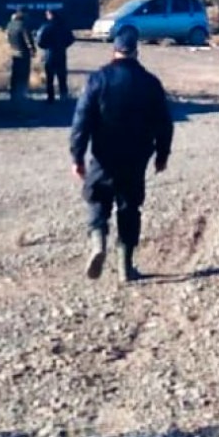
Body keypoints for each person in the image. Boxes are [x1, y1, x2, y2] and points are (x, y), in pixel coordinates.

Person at [70, 25, 173, 283]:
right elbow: (164, 123)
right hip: (137, 156)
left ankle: (98, 241)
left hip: (104, 154)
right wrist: (162, 154)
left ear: (114, 49)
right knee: (130, 207)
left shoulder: (98, 79)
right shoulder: (151, 83)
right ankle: (125, 266)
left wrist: (77, 157)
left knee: (97, 199)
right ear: (136, 51)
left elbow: (81, 121)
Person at [35, 8, 75, 103]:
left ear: (50, 15)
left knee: (50, 77)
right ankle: (64, 96)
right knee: (62, 77)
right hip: (61, 53)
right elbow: (71, 39)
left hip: (49, 54)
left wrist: (46, 47)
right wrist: (63, 46)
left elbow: (40, 41)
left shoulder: (45, 27)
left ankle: (50, 97)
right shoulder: (63, 26)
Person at [5, 9, 35, 101]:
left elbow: (7, 37)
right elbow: (27, 39)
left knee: (15, 74)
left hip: (13, 52)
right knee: (23, 74)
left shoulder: (10, 25)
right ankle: (22, 94)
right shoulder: (23, 25)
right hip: (23, 53)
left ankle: (13, 93)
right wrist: (32, 49)